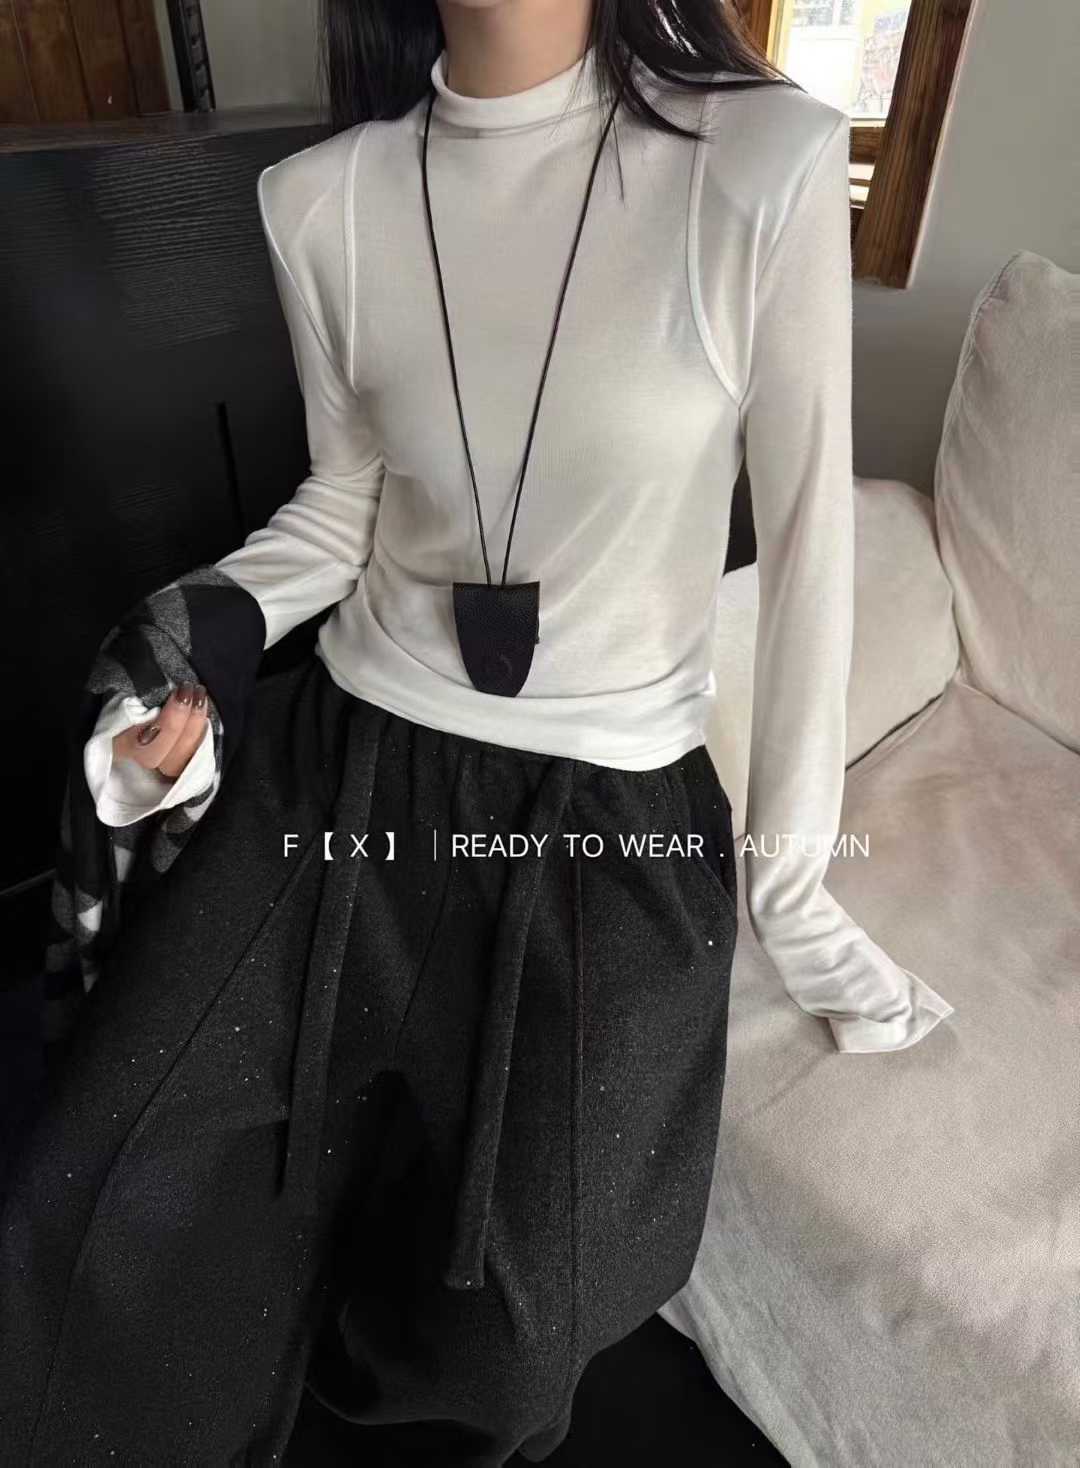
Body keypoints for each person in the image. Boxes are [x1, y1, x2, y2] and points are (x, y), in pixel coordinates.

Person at [1, 1, 953, 1464]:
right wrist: (196, 644)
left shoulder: (762, 161)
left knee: (521, 1326)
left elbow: (816, 543)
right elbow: (345, 504)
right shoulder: (324, 200)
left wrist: (794, 882)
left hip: (606, 823)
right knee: (103, 1191)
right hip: (344, 778)